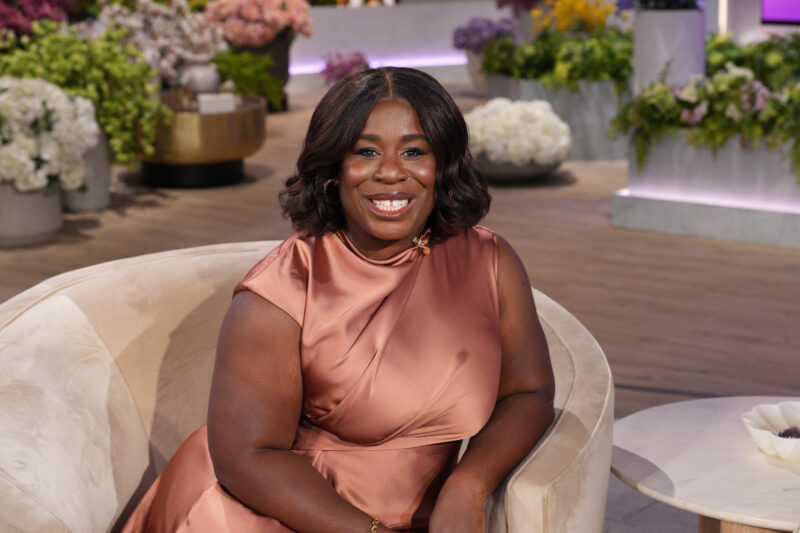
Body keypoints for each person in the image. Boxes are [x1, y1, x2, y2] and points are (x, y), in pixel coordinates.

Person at [122, 67, 555, 533]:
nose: (391, 172)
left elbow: (528, 392)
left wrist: (467, 486)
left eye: (414, 151)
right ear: (333, 168)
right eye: (366, 151)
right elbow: (247, 457)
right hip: (269, 514)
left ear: (443, 164)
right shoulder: (283, 288)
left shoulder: (487, 260)